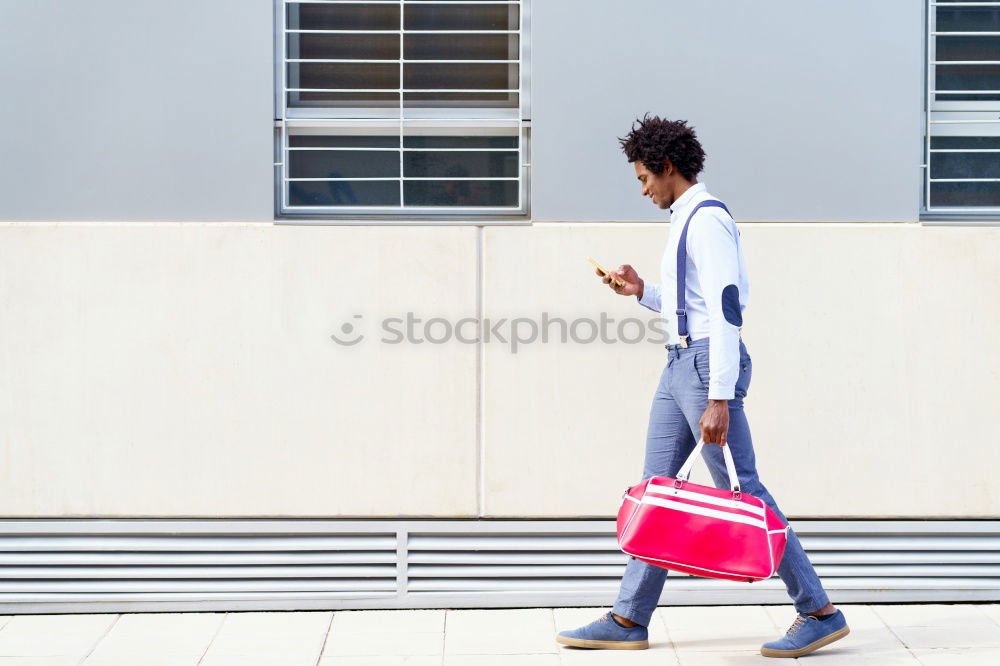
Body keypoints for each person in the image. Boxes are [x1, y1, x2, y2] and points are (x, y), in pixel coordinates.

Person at [554, 115, 850, 658]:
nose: (642, 190)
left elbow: (726, 307)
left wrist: (719, 395)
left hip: (705, 369)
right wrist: (643, 291)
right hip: (679, 365)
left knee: (747, 491)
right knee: (659, 491)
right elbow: (690, 300)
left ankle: (819, 611)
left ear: (667, 168)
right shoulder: (684, 218)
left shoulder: (708, 219)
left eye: (644, 178)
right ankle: (629, 618)